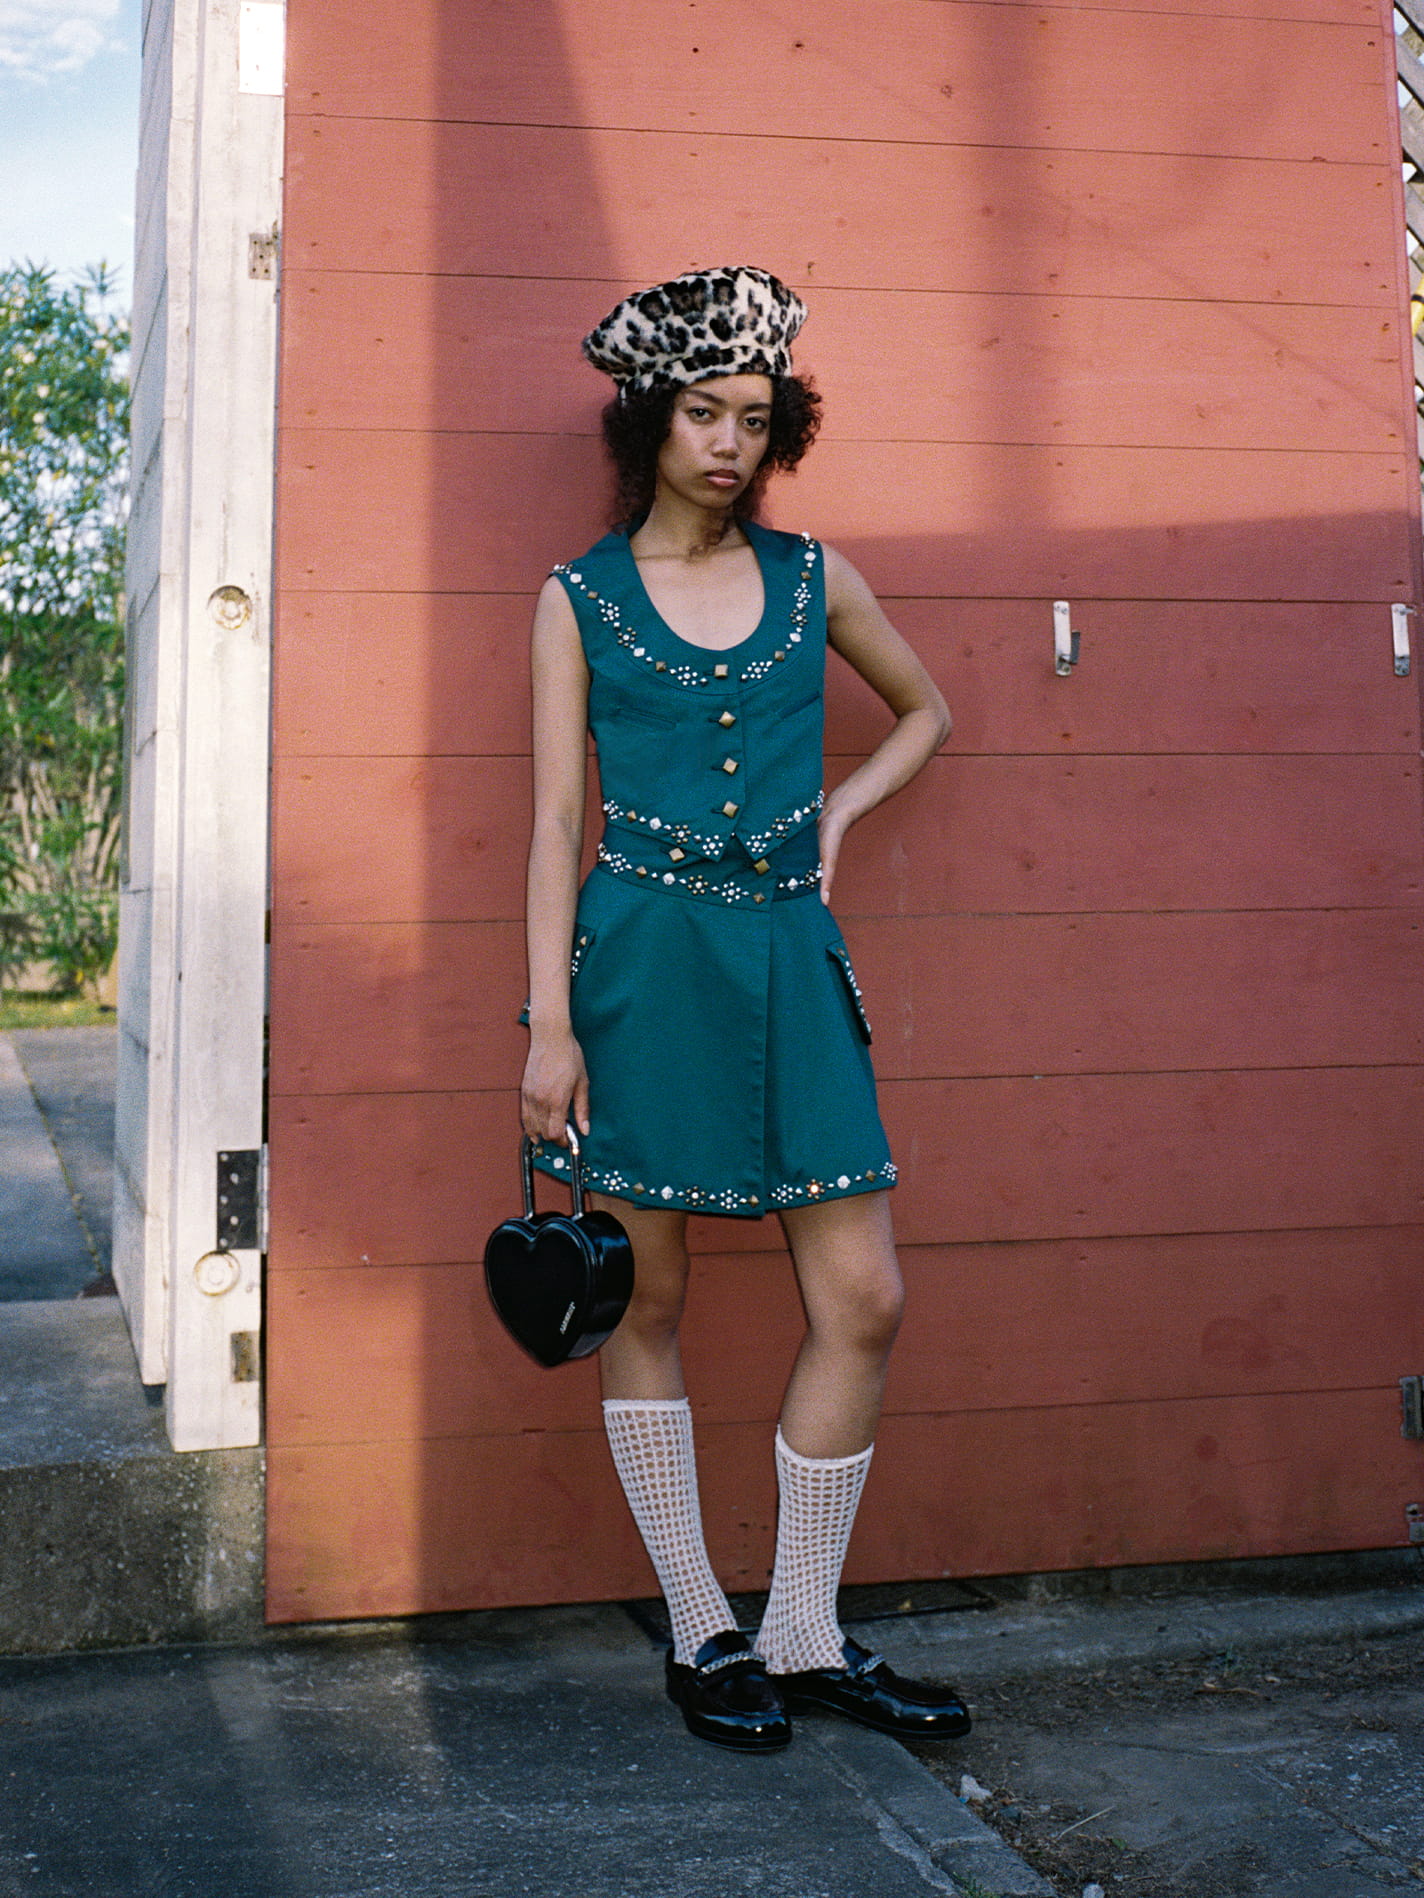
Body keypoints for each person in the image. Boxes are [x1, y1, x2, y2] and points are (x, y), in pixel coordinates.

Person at [520, 266, 971, 1751]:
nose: (729, 442)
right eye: (704, 413)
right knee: (645, 1299)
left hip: (788, 953)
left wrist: (840, 810)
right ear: (650, 420)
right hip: (641, 966)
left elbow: (928, 711)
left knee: (865, 1299)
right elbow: (556, 822)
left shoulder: (815, 577)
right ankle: (702, 1622)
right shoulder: (578, 599)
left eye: (756, 419)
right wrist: (548, 1025)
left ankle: (803, 1630)